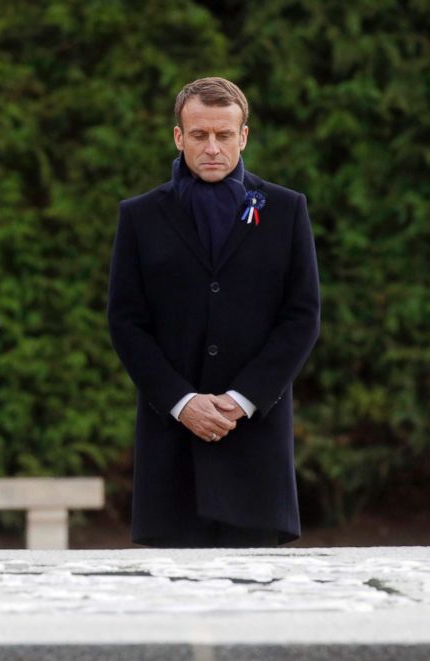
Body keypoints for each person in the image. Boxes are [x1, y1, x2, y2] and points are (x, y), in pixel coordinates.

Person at [107, 77, 320, 547]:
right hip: (171, 443)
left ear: (243, 137)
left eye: (224, 135)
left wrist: (243, 398)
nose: (212, 147)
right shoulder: (140, 216)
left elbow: (301, 316)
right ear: (178, 137)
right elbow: (126, 322)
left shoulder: (285, 210)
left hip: (255, 439)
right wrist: (182, 402)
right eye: (199, 135)